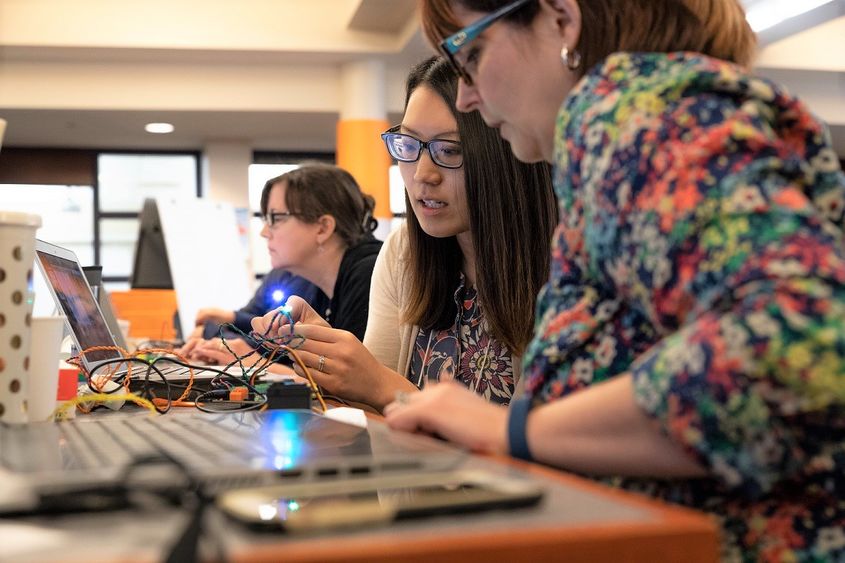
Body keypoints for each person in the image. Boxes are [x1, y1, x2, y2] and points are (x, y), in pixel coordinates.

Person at [385, 0, 845, 559]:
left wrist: (511, 431)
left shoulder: (634, 115)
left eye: (473, 54)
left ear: (562, 20)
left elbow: (800, 343)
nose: (466, 96)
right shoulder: (637, 123)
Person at [253, 56, 556, 412]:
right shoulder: (404, 251)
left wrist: (380, 385)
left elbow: (540, 443)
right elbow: (371, 406)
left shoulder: (563, 261)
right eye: (409, 146)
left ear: (504, 151)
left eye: (449, 150)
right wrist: (328, 357)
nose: (422, 174)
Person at [196, 163, 382, 365]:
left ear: (322, 228)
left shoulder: (370, 274)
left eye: (276, 218)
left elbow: (351, 385)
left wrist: (254, 362)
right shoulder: (323, 282)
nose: (264, 232)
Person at [178, 268, 327, 360]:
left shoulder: (313, 283)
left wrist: (209, 331)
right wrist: (228, 319)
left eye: (275, 218)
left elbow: (271, 341)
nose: (264, 232)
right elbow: (255, 324)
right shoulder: (278, 273)